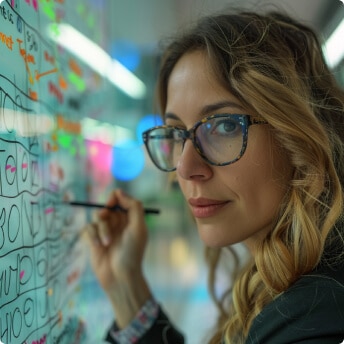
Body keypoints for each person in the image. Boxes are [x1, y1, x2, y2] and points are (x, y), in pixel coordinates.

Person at [84, 9, 344, 344]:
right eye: (177, 132)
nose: (186, 168)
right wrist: (126, 287)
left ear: (297, 135)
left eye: (225, 126)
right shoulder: (299, 289)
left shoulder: (318, 320)